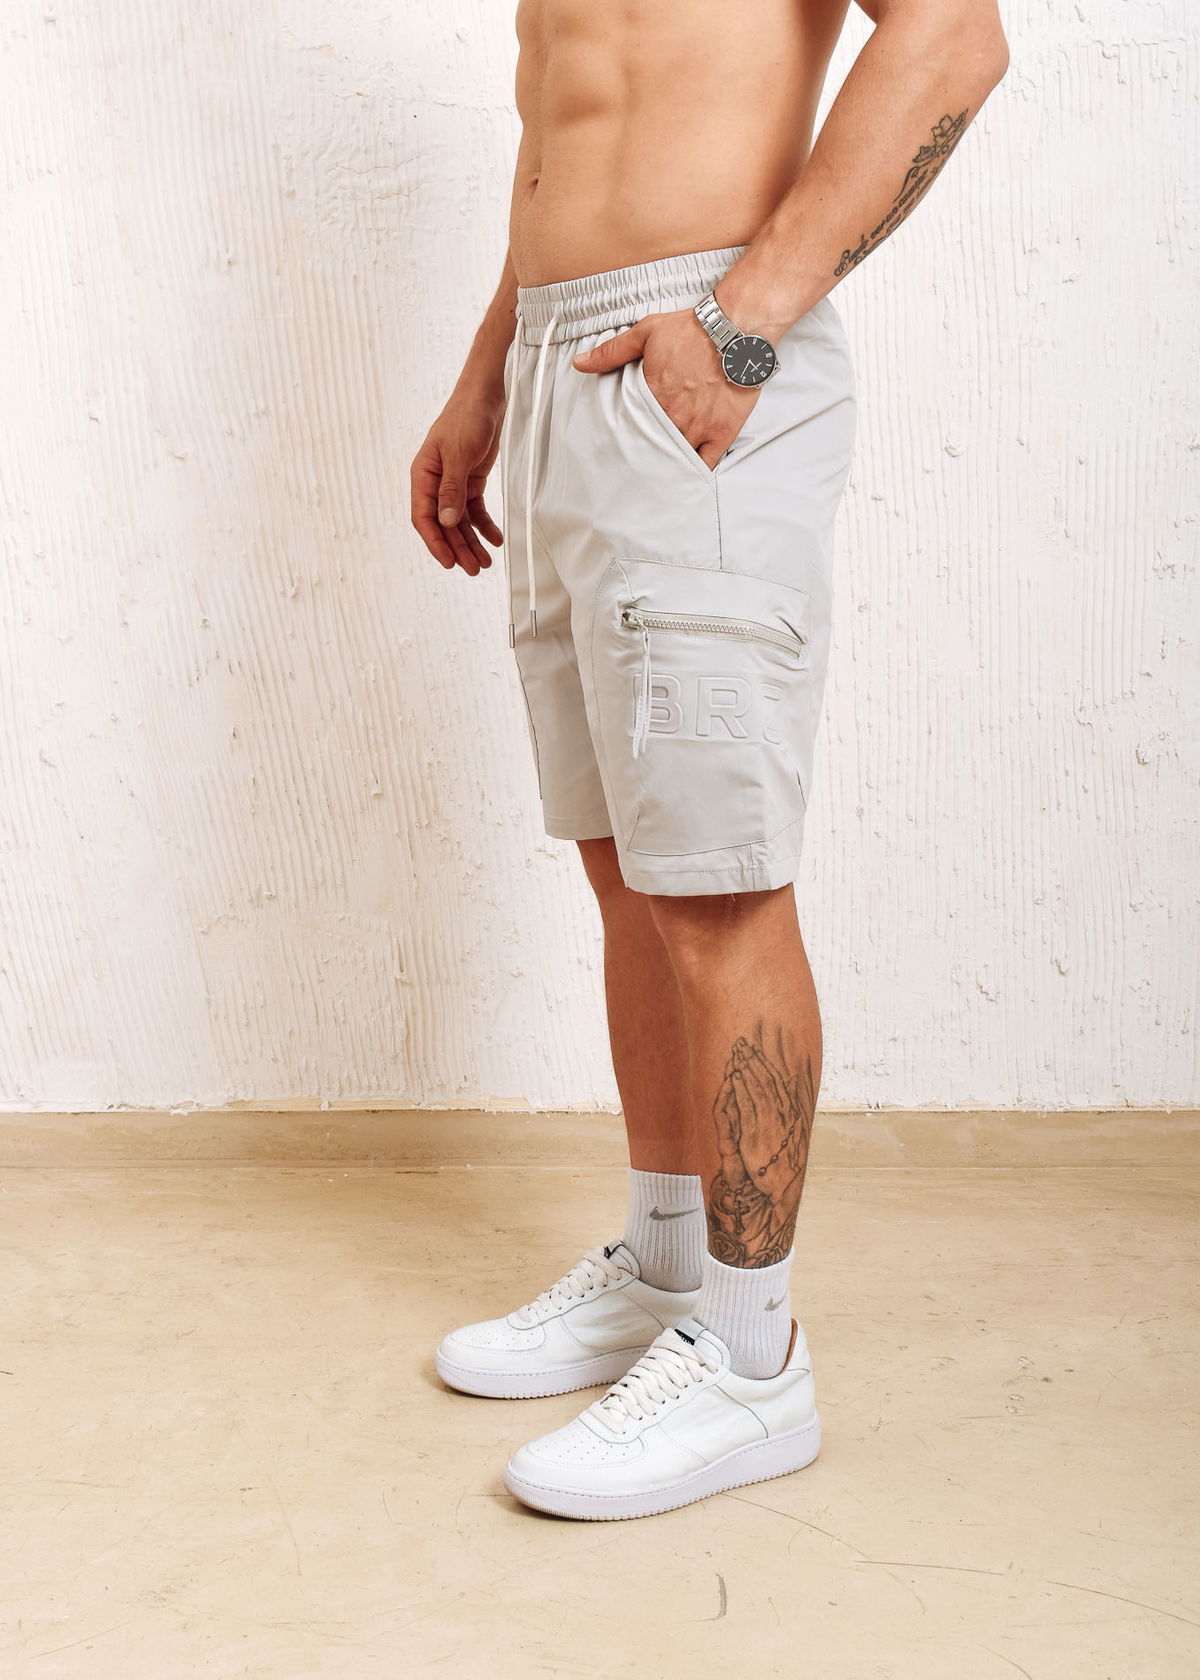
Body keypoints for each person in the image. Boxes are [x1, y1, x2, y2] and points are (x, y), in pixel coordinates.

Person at [411, 0, 1009, 1521]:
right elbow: (576, 123)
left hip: (702, 354)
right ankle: (668, 1269)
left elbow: (953, 38)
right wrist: (492, 372)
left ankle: (752, 1362)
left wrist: (745, 318)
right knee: (627, 864)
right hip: (564, 361)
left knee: (717, 888)